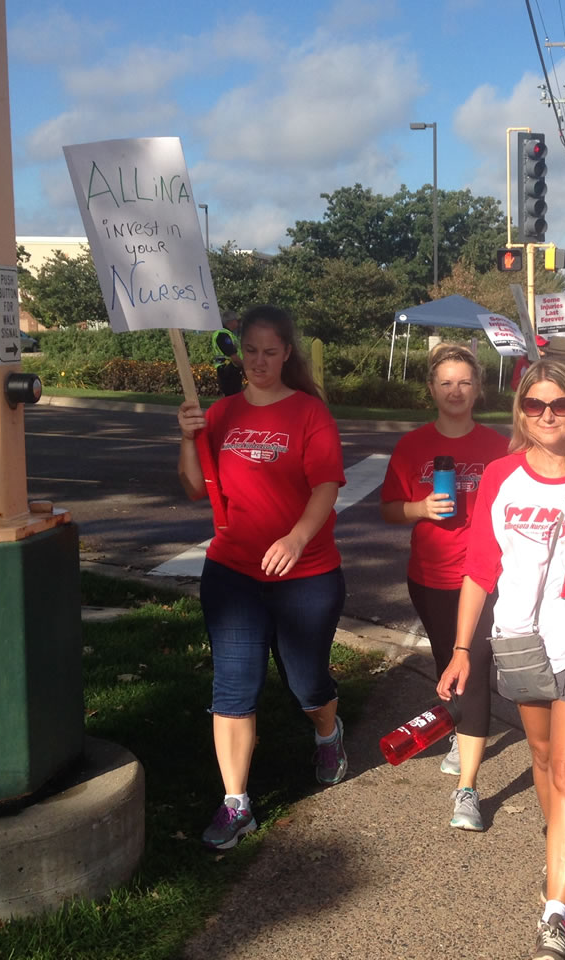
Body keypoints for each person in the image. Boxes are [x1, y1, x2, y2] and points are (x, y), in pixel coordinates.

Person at [437, 357, 565, 960]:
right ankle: (564, 847)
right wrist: (461, 650)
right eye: (534, 405)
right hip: (521, 640)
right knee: (545, 758)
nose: (547, 415)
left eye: (559, 404)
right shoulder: (501, 476)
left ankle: (555, 912)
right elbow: (479, 569)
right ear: (521, 412)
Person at [177, 305, 347, 850]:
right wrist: (187, 437)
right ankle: (236, 804)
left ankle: (328, 732)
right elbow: (194, 489)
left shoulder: (308, 413)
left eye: (270, 352)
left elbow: (325, 486)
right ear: (238, 351)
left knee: (306, 683)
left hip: (307, 571)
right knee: (232, 685)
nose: (259, 361)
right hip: (233, 572)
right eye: (250, 351)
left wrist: (296, 538)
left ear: (286, 354)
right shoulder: (222, 413)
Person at [380, 342, 508, 831]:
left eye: (465, 381)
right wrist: (420, 508)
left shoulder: (499, 447)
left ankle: (467, 791)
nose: (456, 390)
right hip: (429, 577)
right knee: (446, 662)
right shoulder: (413, 446)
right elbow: (391, 508)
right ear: (432, 389)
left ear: (478, 388)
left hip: (483, 577)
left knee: (470, 667)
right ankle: (459, 727)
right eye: (446, 382)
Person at [211, 310, 243, 396]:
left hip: (227, 369)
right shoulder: (223, 335)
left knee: (233, 398)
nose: (238, 323)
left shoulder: (227, 334)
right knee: (232, 397)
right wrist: (245, 367)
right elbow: (233, 356)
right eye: (237, 320)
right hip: (228, 370)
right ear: (231, 321)